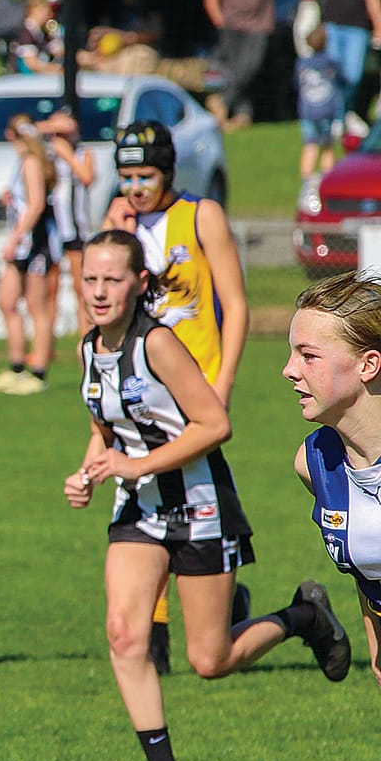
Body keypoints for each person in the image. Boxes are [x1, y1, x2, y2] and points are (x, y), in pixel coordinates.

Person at [63, 232, 346, 761]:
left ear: (139, 283)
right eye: (90, 279)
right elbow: (106, 431)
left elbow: (214, 424)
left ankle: (303, 616)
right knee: (123, 633)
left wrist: (134, 462)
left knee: (209, 660)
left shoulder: (158, 343)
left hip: (200, 506)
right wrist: (90, 471)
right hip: (139, 510)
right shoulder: (87, 349)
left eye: (112, 279)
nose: (98, 291)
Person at [104, 121, 252, 674]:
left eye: (146, 176)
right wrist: (111, 227)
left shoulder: (201, 215)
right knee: (140, 492)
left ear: (168, 172)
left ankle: (217, 597)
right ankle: (157, 627)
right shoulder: (118, 223)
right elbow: (96, 304)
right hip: (139, 391)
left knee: (193, 493)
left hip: (198, 388)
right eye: (126, 177)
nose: (136, 187)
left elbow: (234, 304)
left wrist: (225, 381)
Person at [287, 272, 381, 692]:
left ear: (368, 364)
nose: (289, 370)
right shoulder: (315, 463)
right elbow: (369, 568)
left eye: (309, 356)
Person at [203, 0, 314, 129]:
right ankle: (243, 114)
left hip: (259, 25)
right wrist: (219, 19)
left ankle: (222, 102)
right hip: (231, 25)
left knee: (250, 67)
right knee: (234, 69)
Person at [0, 116, 59, 395]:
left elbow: (37, 204)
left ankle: (38, 370)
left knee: (37, 307)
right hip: (22, 245)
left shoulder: (30, 162)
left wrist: (15, 237)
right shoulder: (23, 163)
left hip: (33, 243)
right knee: (7, 301)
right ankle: (16, 366)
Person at [299, 0, 381, 127]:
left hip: (357, 27)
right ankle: (336, 116)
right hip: (332, 26)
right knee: (333, 72)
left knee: (352, 75)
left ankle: (346, 111)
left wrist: (378, 26)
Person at [42, 108, 96, 298]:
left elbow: (88, 177)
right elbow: (23, 130)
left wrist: (68, 156)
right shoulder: (46, 155)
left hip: (75, 225)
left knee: (80, 285)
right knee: (50, 286)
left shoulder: (83, 153)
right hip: (52, 226)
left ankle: (85, 327)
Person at [297, 26, 347, 183]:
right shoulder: (331, 63)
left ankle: (306, 182)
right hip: (327, 110)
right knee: (327, 147)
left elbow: (297, 84)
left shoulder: (302, 64)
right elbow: (343, 81)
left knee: (309, 145)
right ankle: (327, 181)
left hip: (307, 111)